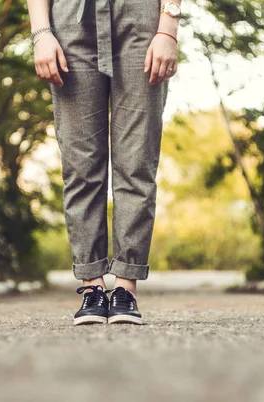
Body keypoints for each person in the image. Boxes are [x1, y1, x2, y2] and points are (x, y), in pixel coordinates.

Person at [27, 0, 181, 325]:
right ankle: (92, 285)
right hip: (70, 22)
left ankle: (126, 286)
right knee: (81, 164)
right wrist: (41, 33)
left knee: (137, 161)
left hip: (141, 20)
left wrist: (168, 26)